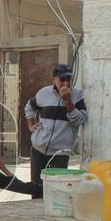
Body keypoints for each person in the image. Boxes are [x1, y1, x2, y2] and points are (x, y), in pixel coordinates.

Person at [24, 63, 87, 198]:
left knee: (57, 189)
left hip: (60, 152)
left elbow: (79, 121)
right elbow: (29, 107)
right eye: (62, 79)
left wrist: (68, 101)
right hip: (38, 148)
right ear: (54, 80)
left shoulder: (77, 96)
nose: (65, 83)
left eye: (68, 79)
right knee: (36, 188)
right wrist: (31, 124)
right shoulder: (43, 93)